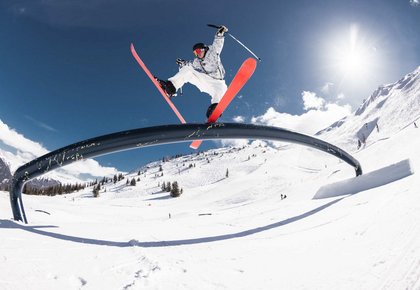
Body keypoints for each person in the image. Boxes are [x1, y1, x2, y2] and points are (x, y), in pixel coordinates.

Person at [156, 25, 229, 118]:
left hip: (217, 82)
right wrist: (182, 63)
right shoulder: (196, 62)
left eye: (198, 51)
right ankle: (171, 87)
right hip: (205, 81)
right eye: (195, 53)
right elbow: (188, 64)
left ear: (204, 49)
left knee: (221, 90)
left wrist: (220, 33)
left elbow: (218, 43)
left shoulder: (213, 52)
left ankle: (215, 107)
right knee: (188, 70)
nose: (197, 54)